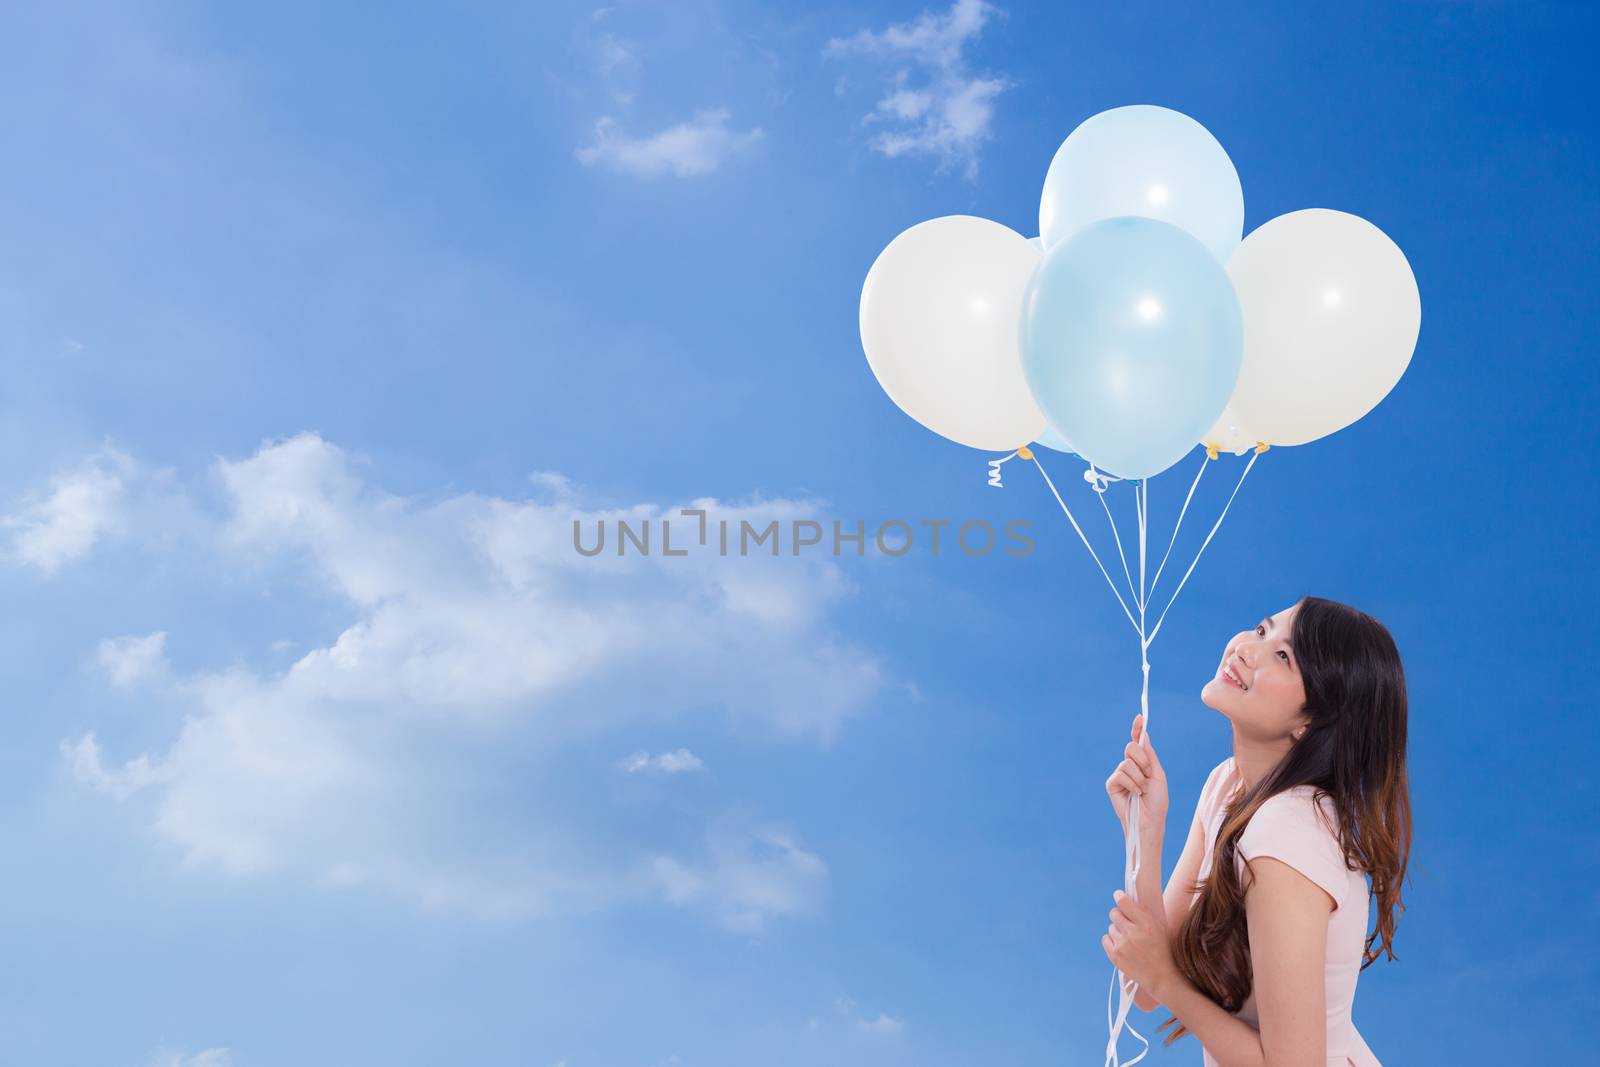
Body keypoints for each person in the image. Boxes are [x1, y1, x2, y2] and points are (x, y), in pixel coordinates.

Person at [1100, 596, 1410, 1066]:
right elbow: (1144, 988)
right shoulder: (1228, 786)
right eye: (1262, 631)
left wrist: (1163, 976)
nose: (1247, 649)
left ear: (1311, 721)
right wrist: (1146, 832)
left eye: (1284, 656)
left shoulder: (1288, 837)